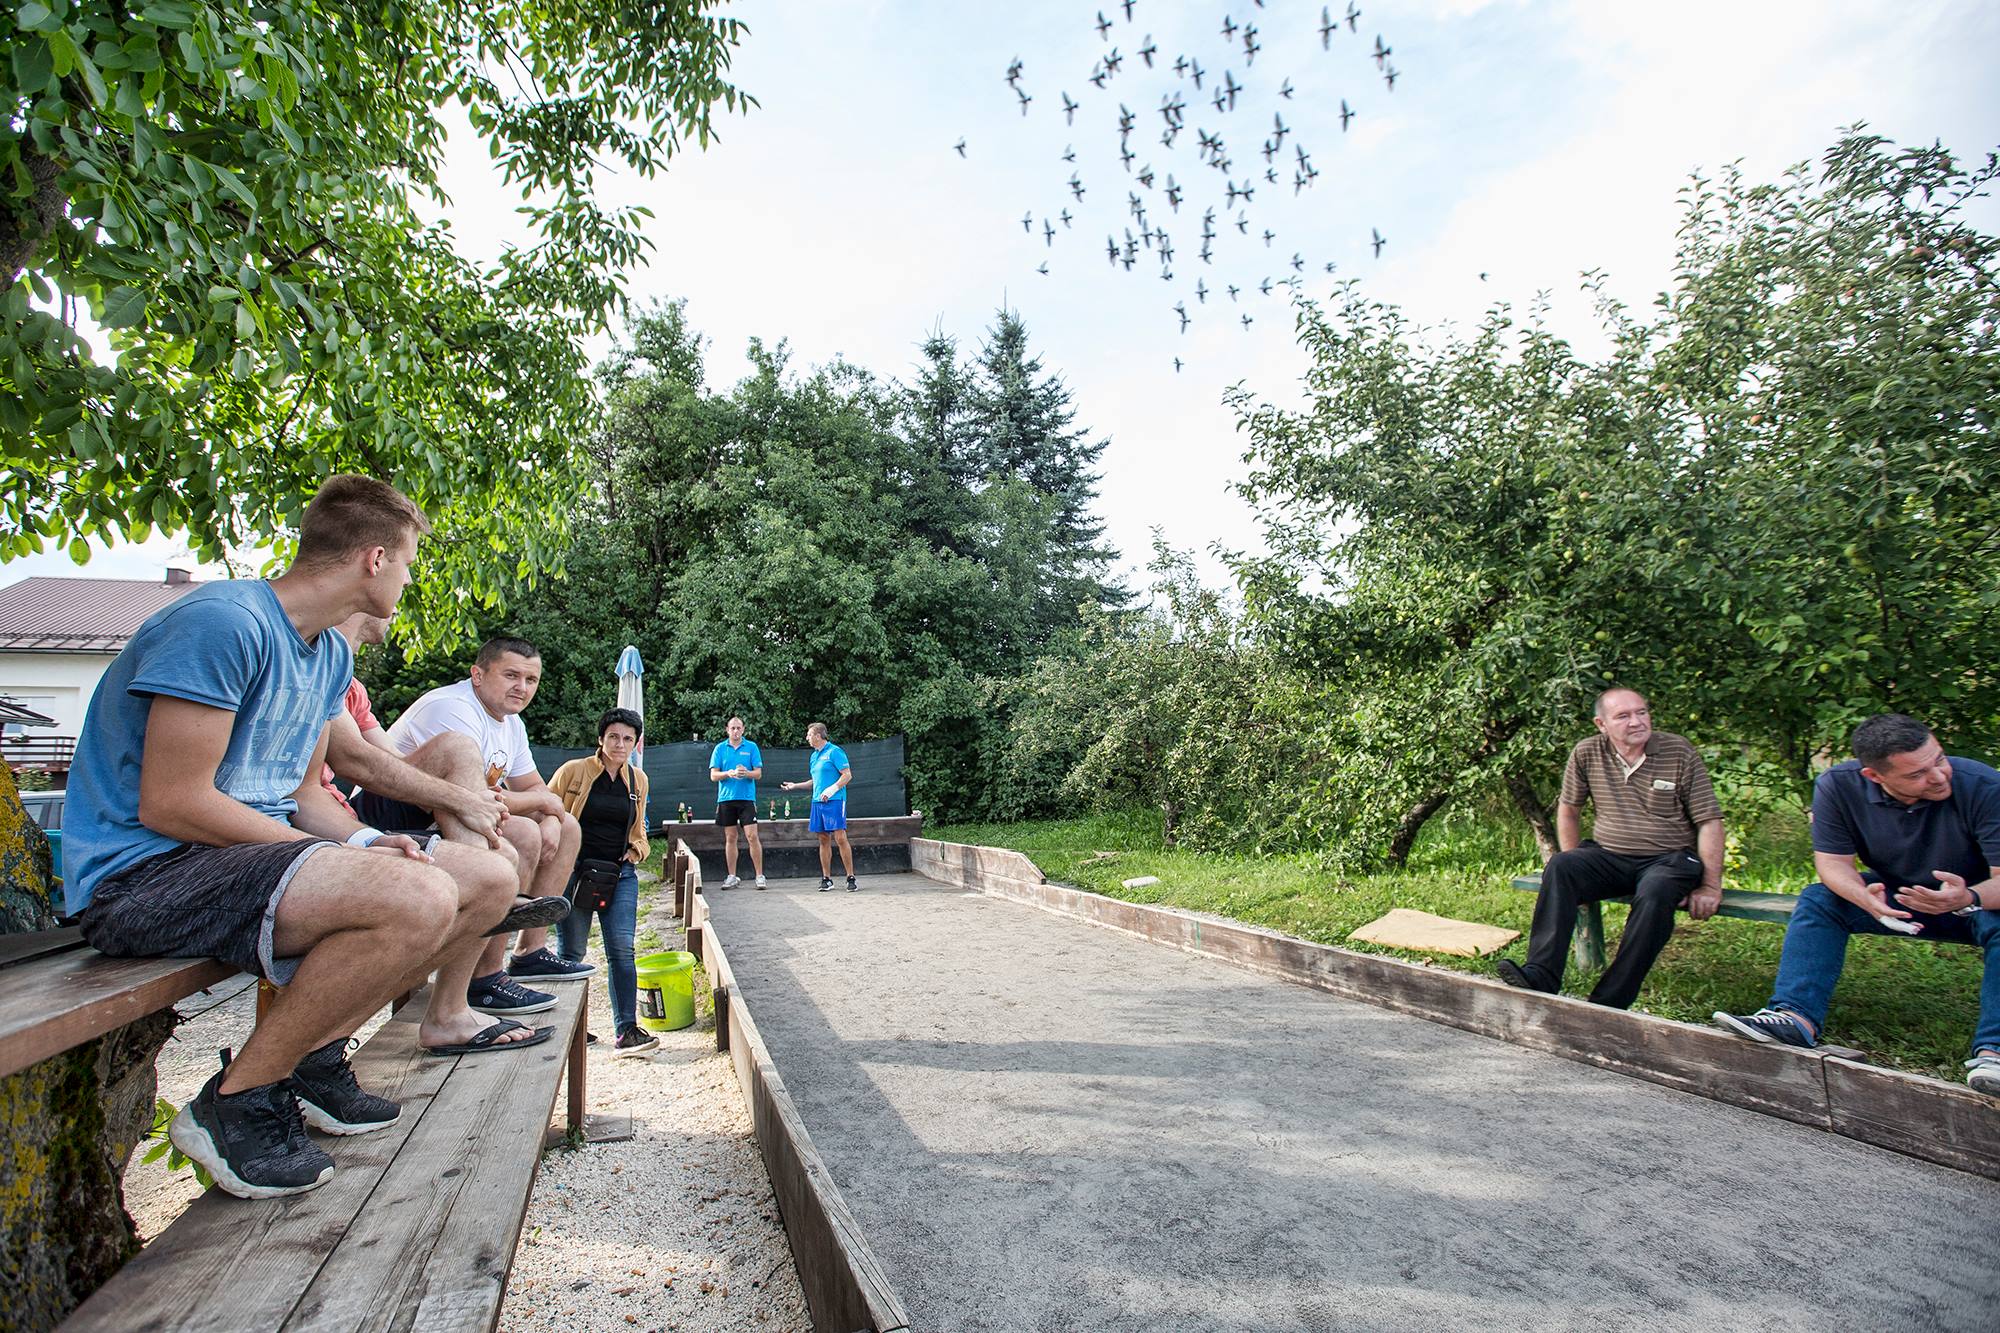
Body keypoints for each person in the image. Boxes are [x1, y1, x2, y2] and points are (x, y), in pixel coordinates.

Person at [63, 476, 537, 1201]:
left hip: (247, 861)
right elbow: (174, 802)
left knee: (489, 879)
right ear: (374, 559)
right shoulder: (224, 624)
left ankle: (313, 1059)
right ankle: (237, 1100)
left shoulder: (327, 656)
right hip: (144, 876)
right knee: (416, 896)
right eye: (408, 564)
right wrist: (341, 857)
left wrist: (365, 840)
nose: (408, 580)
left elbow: (305, 795)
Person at [1716, 714, 2000, 1094]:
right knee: (1820, 898)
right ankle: (1794, 1017)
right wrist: (1863, 897)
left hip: (1978, 898)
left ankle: (1994, 1053)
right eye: (1917, 774)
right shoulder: (1838, 786)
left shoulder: (1984, 786)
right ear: (1874, 776)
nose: (1938, 776)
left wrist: (1967, 897)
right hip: (1902, 896)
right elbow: (1833, 865)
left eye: (1940, 759)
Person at [356, 638, 588, 1019]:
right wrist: (544, 805)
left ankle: (530, 952)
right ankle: (485, 977)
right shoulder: (453, 707)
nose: (522, 687)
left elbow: (534, 789)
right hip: (389, 814)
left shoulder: (512, 724)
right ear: (477, 675)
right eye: (511, 675)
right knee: (523, 834)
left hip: (446, 815)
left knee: (569, 828)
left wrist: (550, 813)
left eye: (531, 679)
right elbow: (470, 795)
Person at [1496, 687, 1725, 1008]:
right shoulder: (1587, 752)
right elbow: (1569, 810)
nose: (1637, 721)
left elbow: (1710, 821)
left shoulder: (1678, 751)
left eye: (1642, 712)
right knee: (1562, 865)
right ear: (1601, 724)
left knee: (1656, 890)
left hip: (1670, 860)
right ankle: (1540, 976)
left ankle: (1609, 1001)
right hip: (1610, 855)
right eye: (1623, 716)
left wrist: (1710, 886)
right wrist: (1576, 861)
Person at [550, 709, 657, 1056]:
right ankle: (570, 1028)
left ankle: (627, 1030)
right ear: (601, 739)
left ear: (635, 743)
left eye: (627, 738)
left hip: (619, 875)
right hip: (575, 872)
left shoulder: (638, 780)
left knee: (622, 950)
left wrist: (638, 850)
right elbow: (546, 812)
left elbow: (640, 828)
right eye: (613, 736)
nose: (619, 744)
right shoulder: (573, 772)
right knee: (571, 953)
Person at [781, 722, 856, 892]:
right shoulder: (813, 756)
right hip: (817, 802)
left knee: (840, 838)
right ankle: (826, 879)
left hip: (835, 801)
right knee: (823, 839)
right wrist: (795, 786)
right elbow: (815, 781)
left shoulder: (835, 751)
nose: (807, 738)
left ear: (817, 736)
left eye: (809, 735)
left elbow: (847, 775)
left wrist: (831, 790)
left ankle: (850, 877)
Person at [708, 715, 766, 889]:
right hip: (726, 799)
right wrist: (729, 773)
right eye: (732, 728)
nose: (735, 731)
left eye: (738, 728)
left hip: (747, 799)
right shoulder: (720, 748)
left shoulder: (751, 747)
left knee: (752, 836)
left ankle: (759, 876)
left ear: (743, 729)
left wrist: (745, 773)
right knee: (730, 837)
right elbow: (713, 776)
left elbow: (758, 773)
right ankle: (732, 876)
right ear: (727, 730)